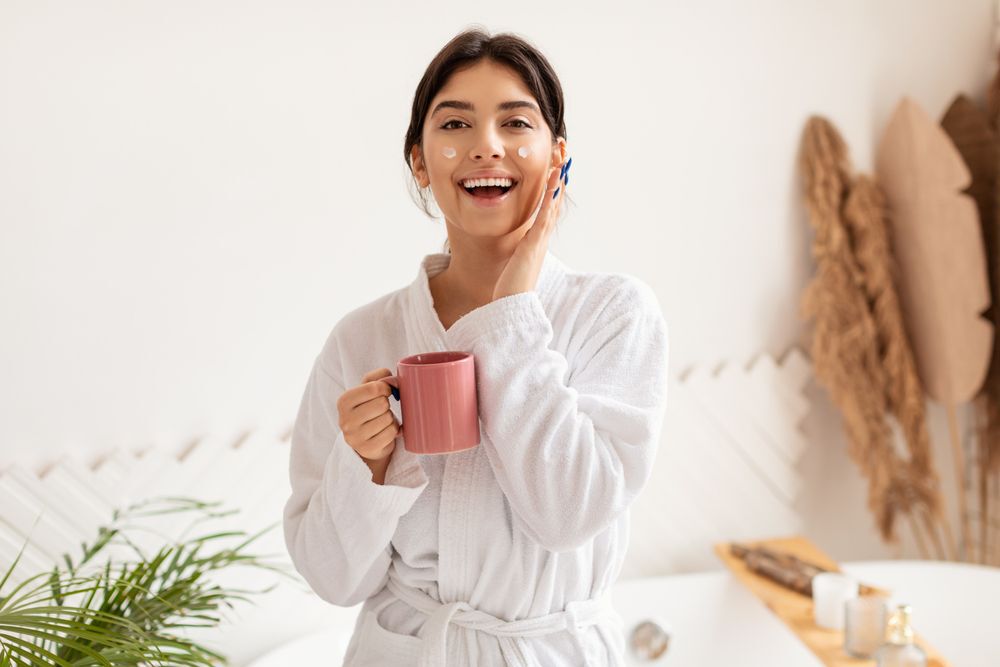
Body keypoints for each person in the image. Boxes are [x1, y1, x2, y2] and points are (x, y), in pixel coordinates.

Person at [282, 26, 670, 667]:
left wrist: (513, 316)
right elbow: (332, 579)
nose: (486, 147)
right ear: (419, 160)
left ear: (556, 156)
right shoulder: (363, 338)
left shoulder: (614, 314)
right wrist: (368, 467)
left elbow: (569, 516)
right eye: (455, 125)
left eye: (516, 123)